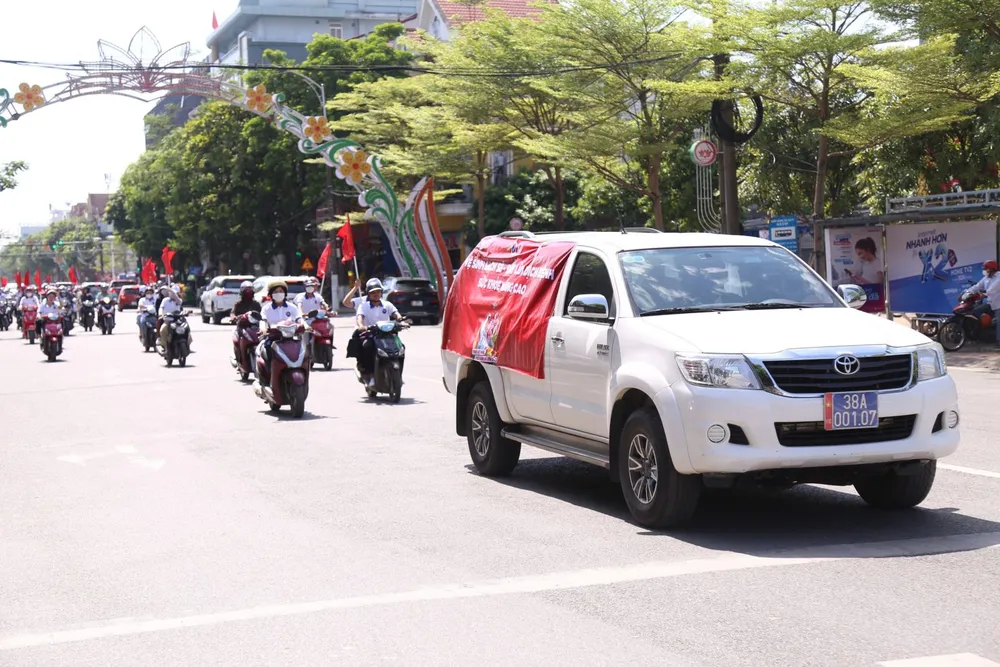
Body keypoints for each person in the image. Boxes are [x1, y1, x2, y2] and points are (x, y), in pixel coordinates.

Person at [355, 278, 407, 385]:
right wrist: (361, 326)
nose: (376, 294)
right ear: (368, 293)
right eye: (373, 292)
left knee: (401, 348)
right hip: (372, 335)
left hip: (388, 334)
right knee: (367, 347)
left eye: (378, 291)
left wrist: (401, 321)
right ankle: (370, 376)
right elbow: (360, 318)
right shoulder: (363, 306)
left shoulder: (387, 304)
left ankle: (399, 375)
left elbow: (396, 314)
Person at [257, 281, 303, 367]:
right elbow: (263, 320)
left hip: (291, 338)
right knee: (267, 350)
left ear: (285, 293)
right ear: (271, 294)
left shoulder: (292, 307)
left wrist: (305, 326)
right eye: (275, 292)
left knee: (302, 350)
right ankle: (269, 372)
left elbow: (299, 319)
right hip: (273, 338)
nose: (279, 294)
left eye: (281, 291)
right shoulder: (266, 308)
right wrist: (263, 328)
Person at [971, 260, 1000, 347]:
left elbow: (993, 289)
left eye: (986, 269)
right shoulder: (986, 279)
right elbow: (977, 286)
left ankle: (999, 342)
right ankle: (984, 332)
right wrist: (967, 292)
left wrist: (984, 294)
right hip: (990, 303)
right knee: (975, 311)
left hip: (998, 304)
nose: (985, 271)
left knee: (999, 321)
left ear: (992, 269)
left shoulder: (999, 277)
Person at [157, 286, 189, 351]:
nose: (173, 294)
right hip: (168, 320)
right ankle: (165, 346)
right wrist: (160, 314)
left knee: (187, 328)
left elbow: (178, 300)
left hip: (178, 320)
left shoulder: (179, 300)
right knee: (162, 330)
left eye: (175, 293)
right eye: (171, 293)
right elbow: (161, 308)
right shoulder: (165, 300)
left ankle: (187, 345)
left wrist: (171, 291)